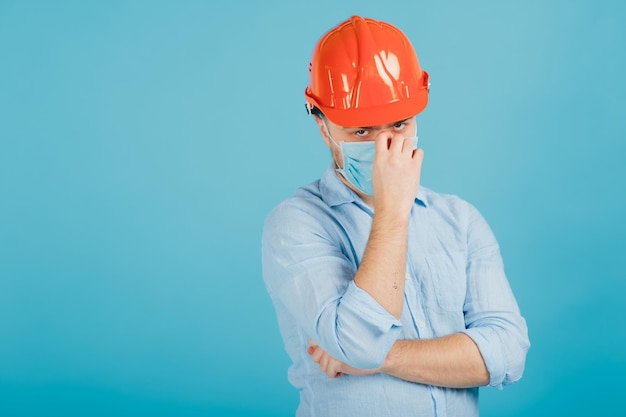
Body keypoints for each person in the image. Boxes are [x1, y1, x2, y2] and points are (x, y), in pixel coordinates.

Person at [262, 15, 530, 417]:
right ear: (323, 126)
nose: (386, 145)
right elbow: (356, 341)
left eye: (400, 124)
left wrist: (381, 358)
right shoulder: (295, 223)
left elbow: (506, 354)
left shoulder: (460, 220)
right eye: (362, 131)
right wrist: (391, 210)